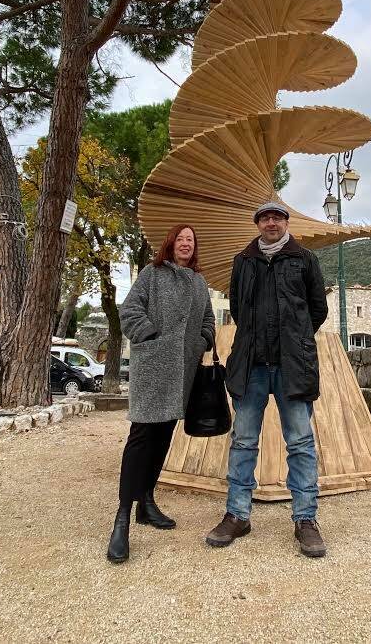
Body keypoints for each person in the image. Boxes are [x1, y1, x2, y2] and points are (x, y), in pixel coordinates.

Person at [204, 201, 329, 558]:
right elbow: (238, 309)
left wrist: (296, 338)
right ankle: (237, 515)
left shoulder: (305, 259)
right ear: (258, 224)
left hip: (293, 364)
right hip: (252, 364)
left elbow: (317, 309)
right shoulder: (243, 261)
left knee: (300, 442)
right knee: (243, 441)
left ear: (287, 223)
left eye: (277, 217)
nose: (271, 222)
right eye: (265, 218)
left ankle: (305, 520)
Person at [110, 224, 215, 564]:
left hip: (183, 370)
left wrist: (202, 341)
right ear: (171, 244)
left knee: (164, 437)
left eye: (191, 240)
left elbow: (208, 320)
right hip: (153, 368)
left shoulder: (199, 282)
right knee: (141, 437)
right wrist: (151, 336)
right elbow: (129, 311)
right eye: (181, 238)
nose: (186, 243)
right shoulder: (151, 274)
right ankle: (122, 518)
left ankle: (147, 503)